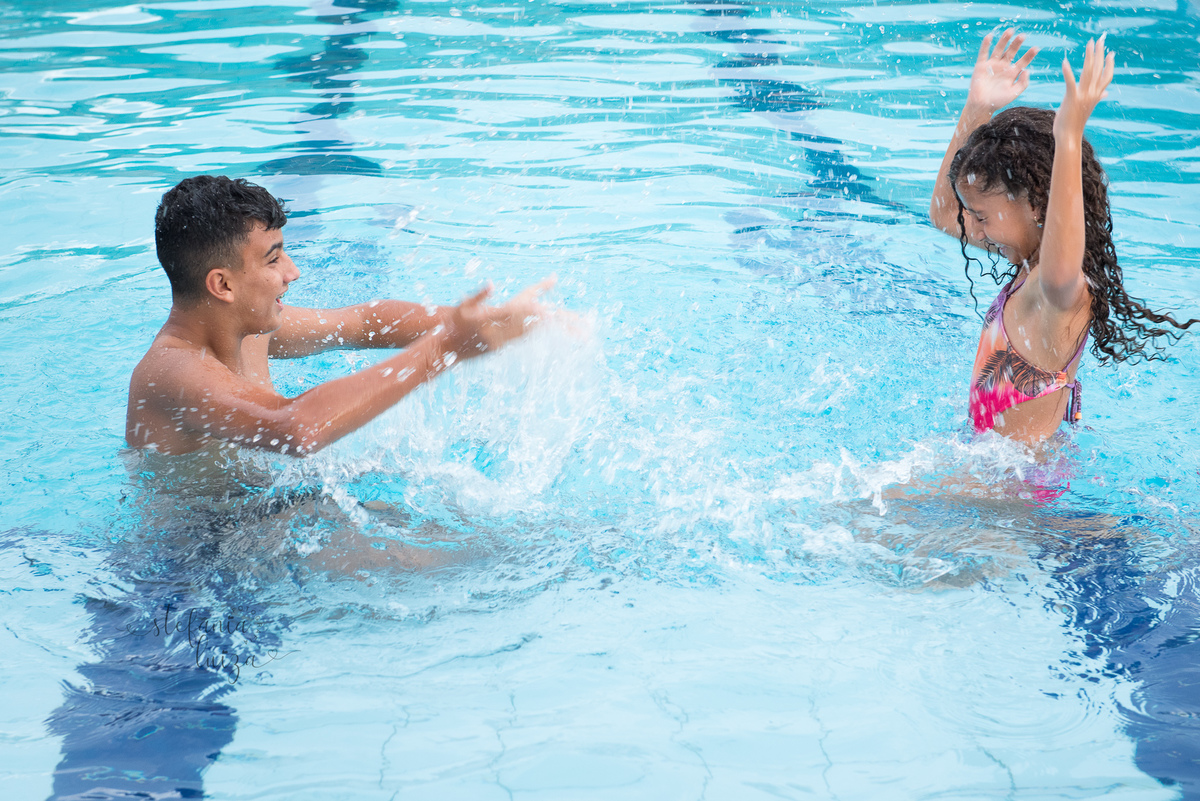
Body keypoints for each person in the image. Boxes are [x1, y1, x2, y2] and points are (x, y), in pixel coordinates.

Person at [127, 174, 554, 457]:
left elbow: (364, 322)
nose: (293, 272)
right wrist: (442, 350)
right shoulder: (173, 372)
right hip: (194, 557)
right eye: (274, 260)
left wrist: (488, 321)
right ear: (222, 285)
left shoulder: (249, 330)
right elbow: (295, 428)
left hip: (258, 516)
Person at [930, 30, 1197, 443]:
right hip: (1000, 471)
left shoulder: (1056, 288)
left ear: (1037, 206)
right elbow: (945, 213)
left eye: (982, 216)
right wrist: (978, 107)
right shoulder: (1028, 263)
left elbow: (1060, 266)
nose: (975, 229)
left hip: (1017, 482)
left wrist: (1069, 134)